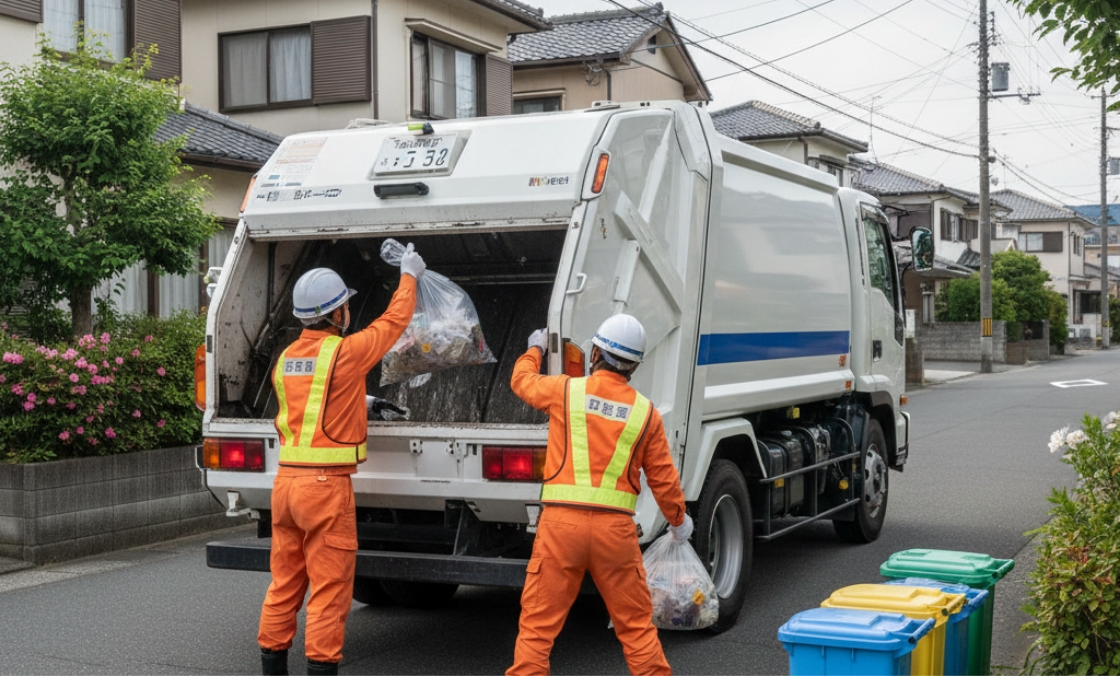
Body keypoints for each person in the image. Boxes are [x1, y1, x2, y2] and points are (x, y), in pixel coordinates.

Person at [258, 246, 426, 676]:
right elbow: (392, 324)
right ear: (336, 313)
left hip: (286, 486)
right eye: (345, 306)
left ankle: (272, 668)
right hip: (324, 489)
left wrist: (359, 401)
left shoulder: (285, 360)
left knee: (284, 584)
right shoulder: (343, 353)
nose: (348, 311)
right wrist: (409, 276)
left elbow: (309, 404)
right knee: (329, 590)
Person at [506, 314, 692, 676]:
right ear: (634, 365)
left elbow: (521, 381)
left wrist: (535, 349)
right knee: (636, 629)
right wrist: (679, 521)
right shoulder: (646, 414)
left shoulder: (566, 391)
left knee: (537, 629)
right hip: (615, 535)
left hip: (561, 529)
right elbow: (663, 479)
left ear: (595, 353)